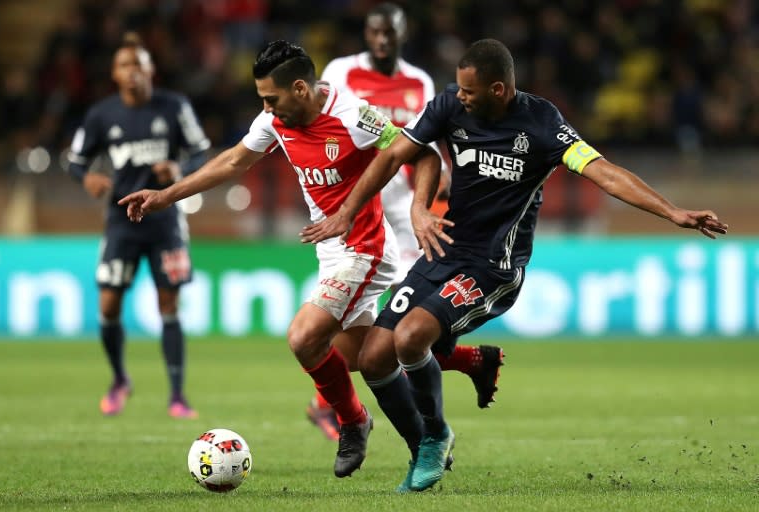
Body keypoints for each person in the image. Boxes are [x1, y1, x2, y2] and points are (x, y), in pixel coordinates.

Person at [300, 38, 729, 492]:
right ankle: (425, 443)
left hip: (493, 267)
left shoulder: (543, 123)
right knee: (372, 358)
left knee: (410, 338)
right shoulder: (448, 105)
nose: (460, 97)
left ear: (499, 89)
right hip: (445, 248)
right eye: (459, 90)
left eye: (469, 91)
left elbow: (604, 171)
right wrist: (411, 207)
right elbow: (396, 154)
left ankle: (433, 437)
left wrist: (673, 212)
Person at [118, 40, 438, 478]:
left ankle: (353, 421)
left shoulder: (353, 116)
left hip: (365, 247)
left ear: (302, 89)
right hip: (331, 252)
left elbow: (417, 151)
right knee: (365, 357)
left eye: (271, 98)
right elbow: (233, 162)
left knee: (304, 337)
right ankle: (428, 442)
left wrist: (419, 208)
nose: (266, 107)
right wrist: (164, 197)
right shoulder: (275, 118)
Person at [306, 1, 505, 441]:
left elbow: (434, 130)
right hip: (361, 199)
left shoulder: (418, 80)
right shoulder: (342, 71)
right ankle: (470, 361)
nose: (381, 41)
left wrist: (446, 174)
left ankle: (466, 363)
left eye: (389, 34)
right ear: (366, 33)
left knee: (408, 313)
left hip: (407, 202)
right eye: (374, 32)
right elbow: (323, 120)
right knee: (358, 320)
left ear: (401, 35)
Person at [67, 33, 210, 419]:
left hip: (166, 221)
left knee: (169, 303)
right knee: (109, 304)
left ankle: (177, 395)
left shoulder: (175, 107)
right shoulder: (101, 115)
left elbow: (202, 152)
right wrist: (87, 179)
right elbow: (75, 160)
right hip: (120, 222)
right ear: (114, 74)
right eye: (124, 65)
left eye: (139, 64)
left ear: (151, 69)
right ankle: (119, 380)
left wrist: (180, 169)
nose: (133, 71)